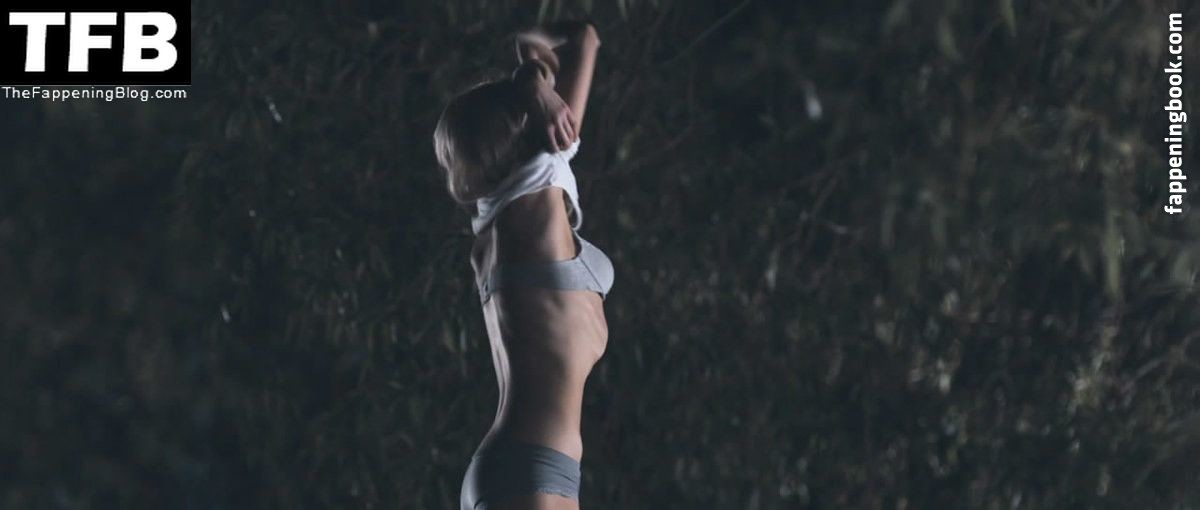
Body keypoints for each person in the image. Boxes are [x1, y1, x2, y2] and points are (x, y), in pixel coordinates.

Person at [432, 20, 608, 510]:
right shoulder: (539, 189)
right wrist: (530, 82)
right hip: (534, 470)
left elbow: (565, 43)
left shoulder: (495, 223)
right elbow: (583, 38)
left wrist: (534, 85)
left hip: (523, 468)